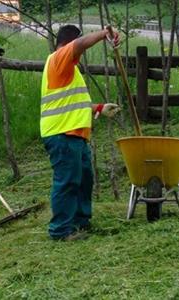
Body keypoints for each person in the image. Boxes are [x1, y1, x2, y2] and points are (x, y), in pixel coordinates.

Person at [40, 25, 121, 241]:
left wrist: (98, 108)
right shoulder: (59, 58)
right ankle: (60, 231)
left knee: (84, 179)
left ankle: (80, 223)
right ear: (69, 43)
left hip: (74, 135)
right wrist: (104, 34)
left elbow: (72, 102)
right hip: (61, 134)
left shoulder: (69, 69)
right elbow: (79, 45)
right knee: (67, 181)